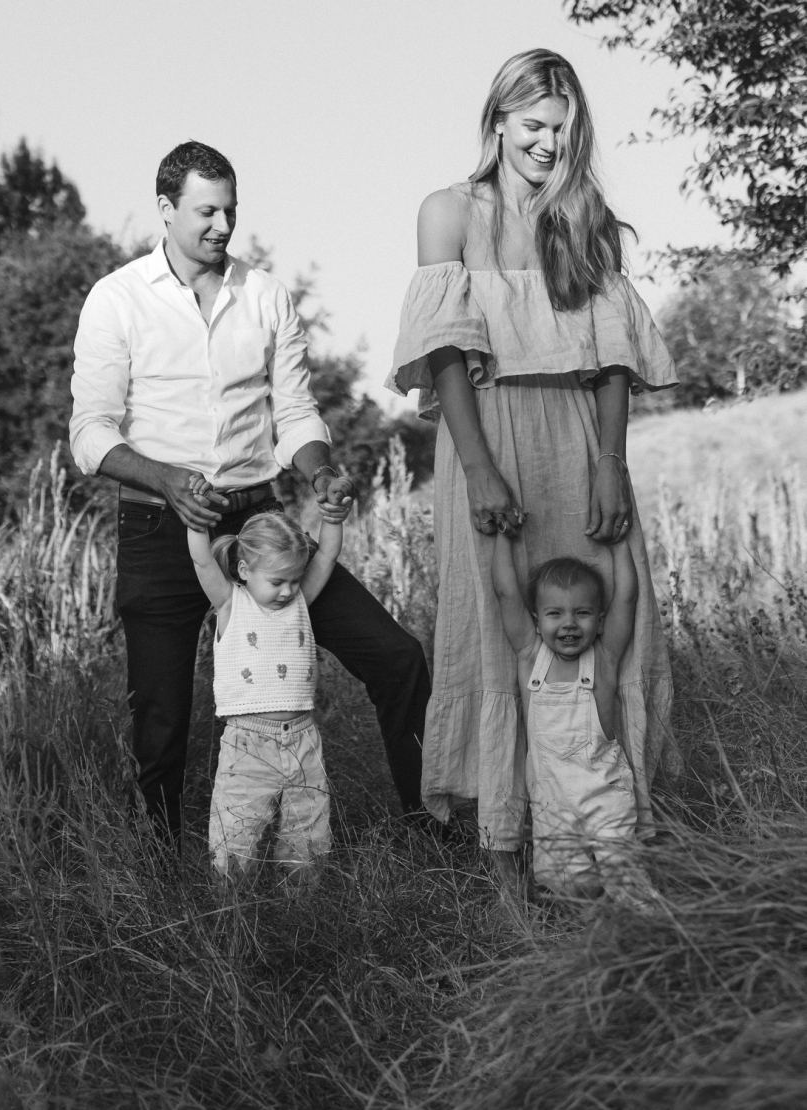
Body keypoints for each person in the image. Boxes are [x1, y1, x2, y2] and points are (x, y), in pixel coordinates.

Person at [71, 140, 431, 843]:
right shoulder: (115, 300)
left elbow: (295, 414)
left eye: (230, 210)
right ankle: (163, 868)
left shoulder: (265, 295)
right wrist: (168, 481)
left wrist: (320, 469)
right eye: (207, 211)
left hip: (261, 527)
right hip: (157, 526)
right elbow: (90, 431)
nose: (222, 225)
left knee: (396, 656)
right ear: (166, 208)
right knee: (162, 717)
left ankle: (431, 822)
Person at [387, 49, 677, 887]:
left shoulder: (583, 220)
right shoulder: (448, 212)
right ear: (499, 121)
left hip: (578, 434)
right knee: (499, 623)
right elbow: (446, 352)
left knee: (609, 606)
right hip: (489, 432)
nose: (548, 143)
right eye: (534, 126)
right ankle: (514, 851)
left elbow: (614, 361)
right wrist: (479, 469)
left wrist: (612, 464)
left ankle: (611, 830)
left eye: (563, 128)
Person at [491, 529, 660, 904]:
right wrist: (503, 539)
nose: (569, 623)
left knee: (624, 873)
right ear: (536, 621)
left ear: (599, 621)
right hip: (551, 799)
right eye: (555, 613)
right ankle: (590, 933)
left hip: (604, 792)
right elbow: (506, 593)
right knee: (568, 884)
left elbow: (627, 598)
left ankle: (650, 928)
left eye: (582, 613)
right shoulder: (530, 657)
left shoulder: (605, 657)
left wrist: (619, 547)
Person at [186, 509, 341, 879]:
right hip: (249, 743)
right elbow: (201, 558)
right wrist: (195, 521)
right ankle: (231, 912)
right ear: (243, 571)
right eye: (277, 581)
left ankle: (302, 912)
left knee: (309, 834)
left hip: (304, 739)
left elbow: (328, 555)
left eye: (294, 579)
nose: (288, 590)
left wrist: (333, 516)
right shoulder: (229, 603)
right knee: (235, 835)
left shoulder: (299, 601)